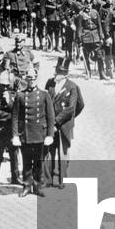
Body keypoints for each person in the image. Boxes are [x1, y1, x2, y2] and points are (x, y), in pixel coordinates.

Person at [12, 66, 55, 197]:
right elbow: (15, 117)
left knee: (38, 162)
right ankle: (26, 185)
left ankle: (37, 186)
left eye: (34, 78)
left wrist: (50, 135)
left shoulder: (44, 94)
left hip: (39, 134)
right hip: (25, 134)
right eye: (29, 78)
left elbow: (50, 116)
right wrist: (15, 135)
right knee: (26, 162)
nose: (31, 81)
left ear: (37, 79)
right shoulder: (20, 95)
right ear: (26, 79)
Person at [45, 58, 84, 188]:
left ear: (66, 74)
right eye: (57, 70)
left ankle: (62, 180)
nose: (57, 74)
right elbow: (46, 101)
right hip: (50, 125)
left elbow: (73, 107)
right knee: (49, 151)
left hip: (64, 125)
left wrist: (65, 120)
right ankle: (48, 179)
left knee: (63, 152)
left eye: (61, 72)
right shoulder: (50, 83)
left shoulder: (72, 87)